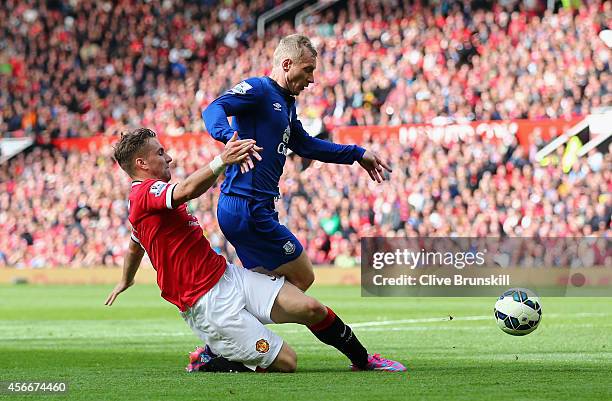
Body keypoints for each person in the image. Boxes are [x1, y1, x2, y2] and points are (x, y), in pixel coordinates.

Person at [105, 128, 406, 373]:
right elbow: (184, 190)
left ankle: (364, 361)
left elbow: (135, 243)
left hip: (227, 277)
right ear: (141, 165)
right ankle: (215, 359)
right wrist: (220, 161)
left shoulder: (144, 209)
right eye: (160, 153)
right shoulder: (144, 192)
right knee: (288, 362)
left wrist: (126, 279)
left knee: (310, 307)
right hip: (207, 304)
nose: (168, 157)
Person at [203, 34, 392, 291]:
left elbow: (305, 145)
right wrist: (229, 138)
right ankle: (229, 313)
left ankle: (237, 318)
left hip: (251, 206)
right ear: (287, 64)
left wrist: (357, 153)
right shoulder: (258, 89)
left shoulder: (286, 104)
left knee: (265, 284)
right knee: (302, 275)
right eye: (308, 70)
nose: (312, 79)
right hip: (247, 205)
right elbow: (214, 108)